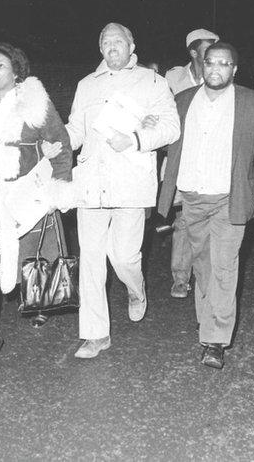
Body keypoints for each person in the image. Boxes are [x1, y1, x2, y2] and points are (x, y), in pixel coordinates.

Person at [158, 42, 254, 370]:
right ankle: (208, 321)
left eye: (224, 64)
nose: (216, 69)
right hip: (192, 197)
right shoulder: (182, 101)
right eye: (210, 63)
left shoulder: (253, 104)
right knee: (203, 266)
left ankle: (215, 339)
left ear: (234, 69)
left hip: (230, 198)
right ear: (202, 65)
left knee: (224, 265)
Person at [66, 23, 179, 359]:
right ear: (100, 49)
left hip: (130, 183)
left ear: (132, 46)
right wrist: (57, 145)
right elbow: (75, 129)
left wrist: (135, 140)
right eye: (105, 42)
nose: (111, 46)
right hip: (91, 182)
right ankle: (96, 335)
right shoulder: (86, 85)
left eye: (118, 41)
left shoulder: (153, 82)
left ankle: (136, 287)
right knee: (90, 261)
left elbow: (171, 127)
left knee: (124, 257)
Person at [0, 42, 72, 371]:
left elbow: (61, 142)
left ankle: (38, 304)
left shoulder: (34, 100)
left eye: (0, 66)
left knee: (32, 256)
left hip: (25, 192)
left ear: (15, 72)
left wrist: (58, 188)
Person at [164, 29, 218, 299]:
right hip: (183, 158)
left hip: (210, 160)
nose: (214, 55)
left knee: (207, 220)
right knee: (184, 219)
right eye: (209, 49)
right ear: (194, 52)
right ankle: (181, 276)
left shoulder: (220, 75)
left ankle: (204, 277)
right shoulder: (174, 78)